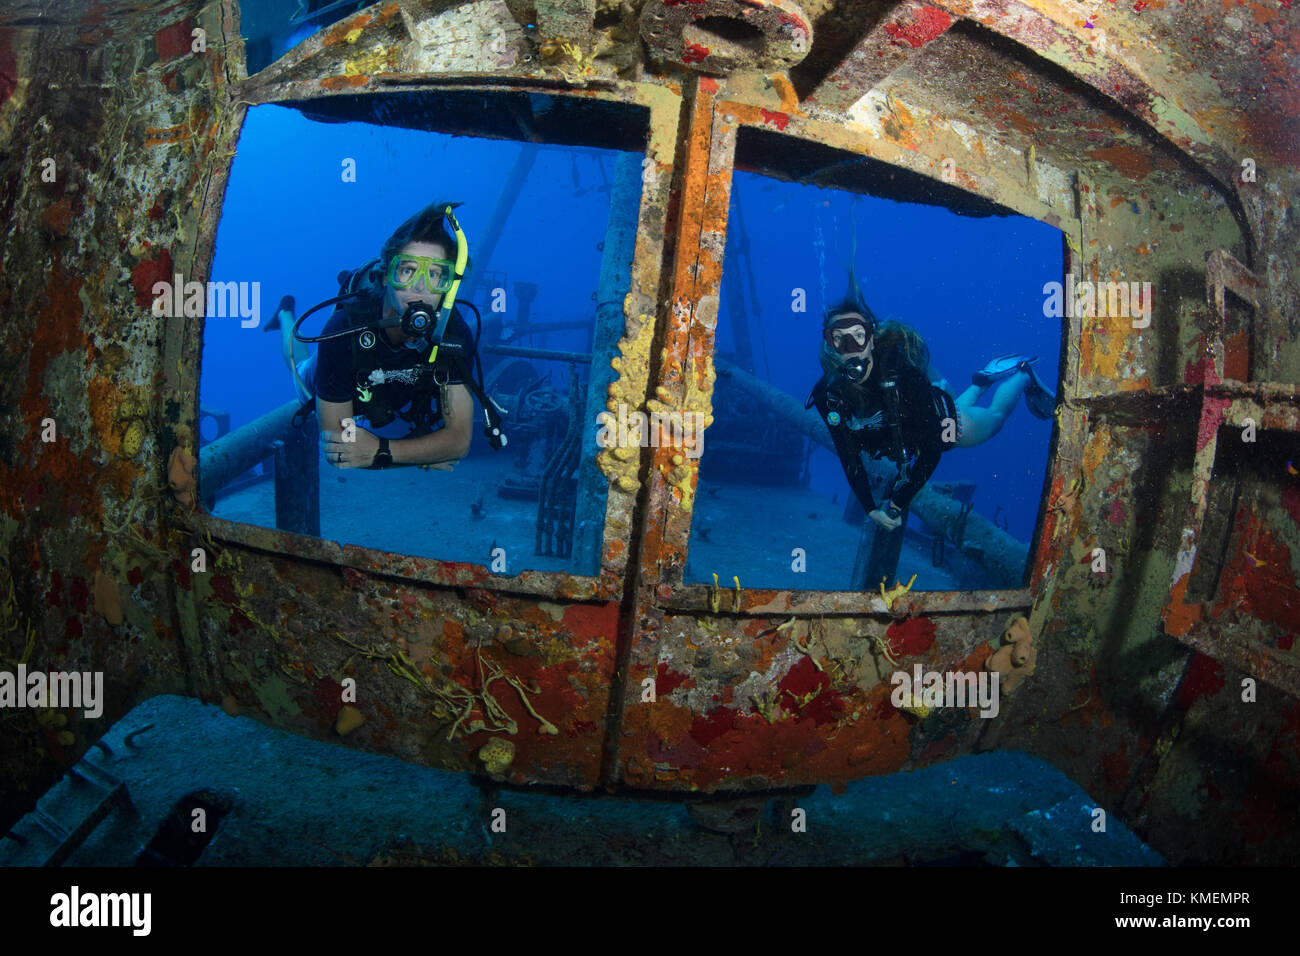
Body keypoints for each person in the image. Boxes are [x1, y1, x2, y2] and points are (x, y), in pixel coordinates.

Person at [808, 274, 1054, 532]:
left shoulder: (902, 375)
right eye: (839, 338)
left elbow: (932, 449)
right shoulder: (829, 395)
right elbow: (848, 454)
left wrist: (897, 502)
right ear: (829, 344)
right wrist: (870, 507)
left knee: (995, 418)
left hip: (946, 423)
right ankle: (982, 381)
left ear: (872, 338)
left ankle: (1023, 376)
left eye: (858, 335)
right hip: (916, 418)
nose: (850, 348)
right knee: (960, 405)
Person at [291, 201, 505, 471]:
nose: (420, 287)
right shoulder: (342, 332)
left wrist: (380, 451)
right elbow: (339, 451)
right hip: (348, 387)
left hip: (391, 397)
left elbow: (459, 442)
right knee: (300, 371)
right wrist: (424, 452)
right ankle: (285, 313)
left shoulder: (453, 334)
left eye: (436, 275)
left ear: (447, 287)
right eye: (407, 271)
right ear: (385, 278)